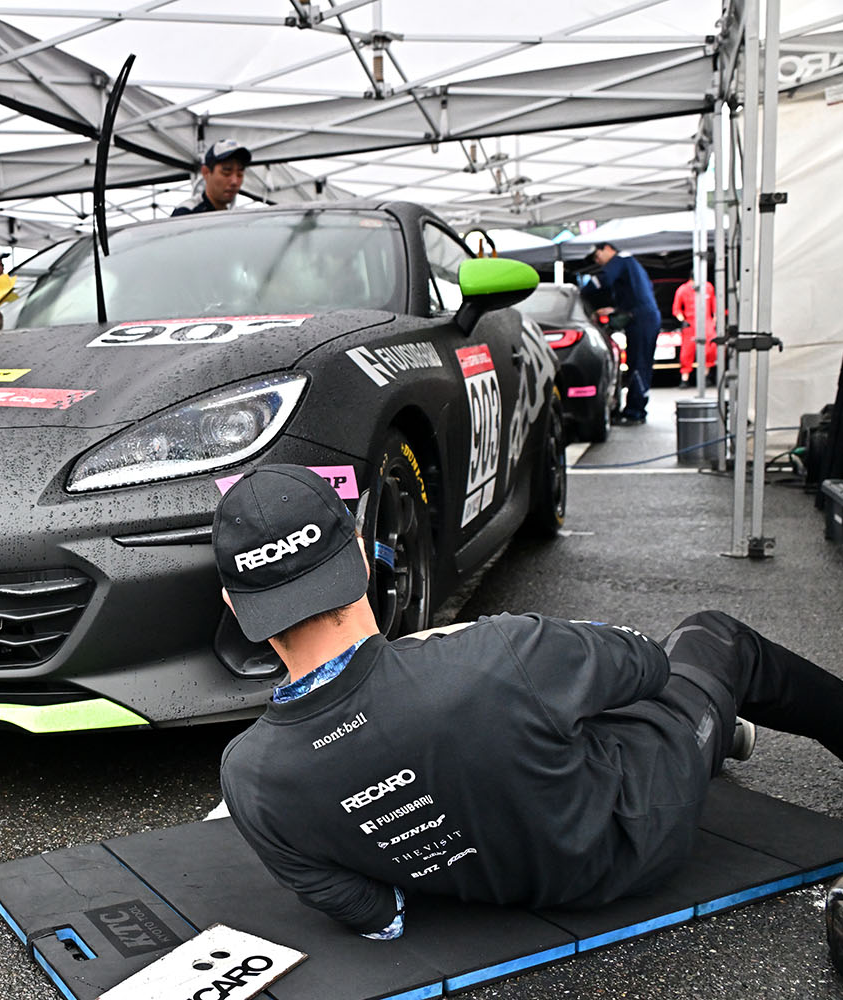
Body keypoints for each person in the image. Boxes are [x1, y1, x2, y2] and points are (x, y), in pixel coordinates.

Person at [212, 464, 843, 939]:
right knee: (712, 637)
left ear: (236, 606)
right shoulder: (493, 652)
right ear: (360, 556)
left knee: (542, 705)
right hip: (641, 829)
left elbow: (379, 916)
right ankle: (720, 722)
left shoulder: (248, 777)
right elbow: (648, 665)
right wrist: (490, 649)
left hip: (503, 884)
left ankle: (720, 726)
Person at [590, 241, 661, 423]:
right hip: (643, 316)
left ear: (607, 248)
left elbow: (602, 280)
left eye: (597, 257)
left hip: (641, 318)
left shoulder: (621, 260)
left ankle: (635, 412)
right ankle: (636, 409)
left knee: (638, 363)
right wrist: (615, 309)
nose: (598, 262)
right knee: (640, 363)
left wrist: (583, 292)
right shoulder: (631, 264)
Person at [171, 140, 251, 216]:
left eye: (240, 174)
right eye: (226, 172)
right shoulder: (187, 213)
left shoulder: (235, 217)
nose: (234, 181)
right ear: (206, 172)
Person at [672, 277, 718, 388]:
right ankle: (685, 378)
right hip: (690, 322)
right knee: (687, 351)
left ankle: (706, 375)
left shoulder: (708, 287)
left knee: (711, 347)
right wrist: (682, 320)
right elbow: (676, 309)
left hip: (706, 321)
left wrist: (715, 320)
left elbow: (714, 305)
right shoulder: (683, 289)